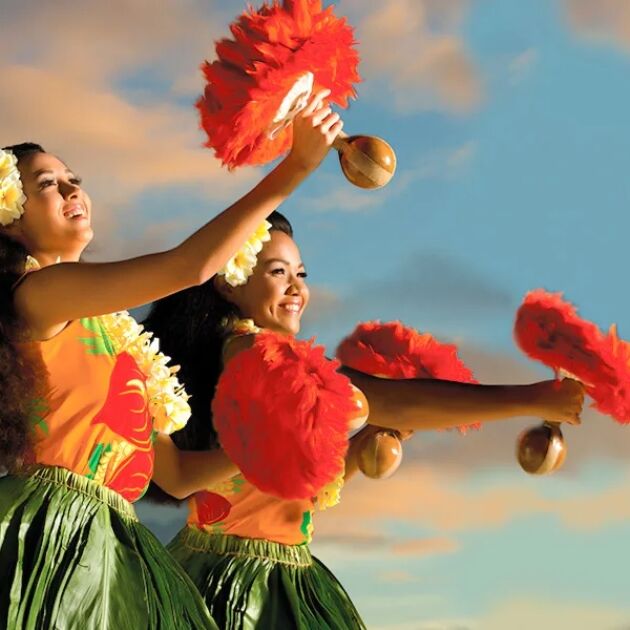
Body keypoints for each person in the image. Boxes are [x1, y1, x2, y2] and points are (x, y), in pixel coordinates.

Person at [143, 211, 584, 629]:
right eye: (278, 272)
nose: (296, 287)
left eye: (301, 274)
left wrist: (362, 447)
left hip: (243, 563)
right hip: (245, 586)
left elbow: (298, 498)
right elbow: (388, 400)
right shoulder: (257, 353)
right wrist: (533, 398)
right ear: (229, 282)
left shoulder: (238, 354)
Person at [0, 90, 342, 629]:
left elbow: (179, 476)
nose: (72, 189)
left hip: (111, 539)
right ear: (11, 220)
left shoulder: (116, 335)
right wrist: (295, 166)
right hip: (53, 533)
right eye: (47, 184)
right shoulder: (38, 294)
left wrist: (270, 451)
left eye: (74, 179)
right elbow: (190, 265)